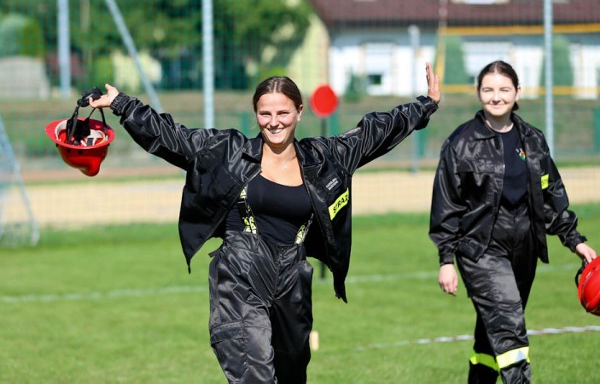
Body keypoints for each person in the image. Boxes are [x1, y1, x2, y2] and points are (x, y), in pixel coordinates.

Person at [90, 63, 441, 383]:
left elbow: (374, 133)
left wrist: (425, 104)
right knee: (254, 373)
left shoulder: (324, 158)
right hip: (240, 270)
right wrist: (122, 104)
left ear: (299, 113)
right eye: (265, 113)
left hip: (293, 277)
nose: (274, 121)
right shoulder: (228, 151)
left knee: (291, 375)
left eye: (283, 113)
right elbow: (172, 137)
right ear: (256, 115)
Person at [428, 60, 596, 384]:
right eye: (488, 90)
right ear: (478, 93)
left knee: (492, 333)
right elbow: (446, 204)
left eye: (504, 89)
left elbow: (550, 196)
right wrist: (446, 259)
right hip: (480, 249)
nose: (496, 97)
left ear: (518, 92)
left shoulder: (533, 139)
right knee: (509, 327)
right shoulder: (460, 143)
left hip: (525, 245)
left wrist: (575, 240)